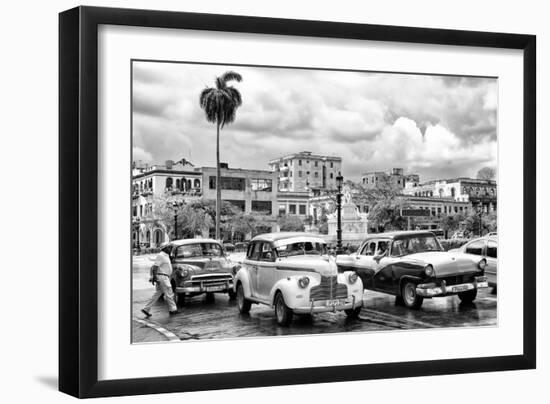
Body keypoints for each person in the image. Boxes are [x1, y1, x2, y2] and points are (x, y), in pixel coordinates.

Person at [142, 244, 177, 317]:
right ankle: (173, 309)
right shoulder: (161, 256)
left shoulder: (166, 256)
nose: (170, 249)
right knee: (169, 293)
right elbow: (155, 267)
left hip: (164, 277)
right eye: (169, 247)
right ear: (164, 248)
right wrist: (155, 277)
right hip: (162, 277)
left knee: (157, 294)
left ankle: (146, 308)